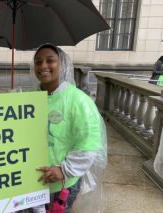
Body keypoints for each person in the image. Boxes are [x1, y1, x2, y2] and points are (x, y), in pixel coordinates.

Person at [30, 44, 107, 213]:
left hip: (61, 185)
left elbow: (89, 144)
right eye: (38, 62)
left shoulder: (79, 101)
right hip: (30, 183)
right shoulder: (29, 99)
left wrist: (64, 170)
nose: (43, 66)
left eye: (50, 60)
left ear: (62, 65)